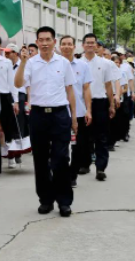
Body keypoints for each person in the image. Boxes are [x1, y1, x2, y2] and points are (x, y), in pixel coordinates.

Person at [15, 26, 77, 217]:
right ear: (36, 42)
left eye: (47, 39)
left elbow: (70, 91)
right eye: (40, 40)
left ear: (54, 41)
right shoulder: (30, 63)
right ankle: (46, 200)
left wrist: (74, 117)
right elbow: (18, 83)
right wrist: (22, 63)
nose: (44, 43)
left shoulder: (63, 63)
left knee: (61, 158)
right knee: (40, 159)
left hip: (60, 114)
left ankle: (64, 202)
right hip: (38, 115)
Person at [0, 34, 27, 168]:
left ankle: (11, 156)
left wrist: (15, 101)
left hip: (4, 96)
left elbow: (12, 83)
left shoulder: (6, 62)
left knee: (8, 128)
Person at [81, 34, 116, 181]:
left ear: (96, 45)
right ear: (83, 45)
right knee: (84, 136)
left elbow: (108, 85)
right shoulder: (77, 63)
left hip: (100, 102)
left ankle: (101, 168)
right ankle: (84, 164)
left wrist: (111, 104)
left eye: (92, 43)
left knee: (101, 136)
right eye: (87, 43)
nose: (90, 45)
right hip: (82, 103)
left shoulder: (105, 63)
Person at [60, 35, 92, 187]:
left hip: (78, 113)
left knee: (77, 146)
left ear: (74, 46)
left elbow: (86, 90)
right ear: (59, 46)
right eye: (64, 44)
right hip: (59, 113)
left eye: (69, 44)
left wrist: (88, 110)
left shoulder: (83, 66)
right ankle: (61, 174)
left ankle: (72, 176)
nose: (66, 47)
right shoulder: (55, 65)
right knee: (60, 147)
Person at [5, 43, 31, 164]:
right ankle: (10, 153)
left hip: (20, 96)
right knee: (8, 124)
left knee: (19, 124)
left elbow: (28, 85)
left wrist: (28, 101)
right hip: (6, 95)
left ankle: (18, 152)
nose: (5, 55)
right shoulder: (4, 65)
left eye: (8, 53)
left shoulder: (24, 65)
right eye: (5, 53)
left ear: (15, 53)